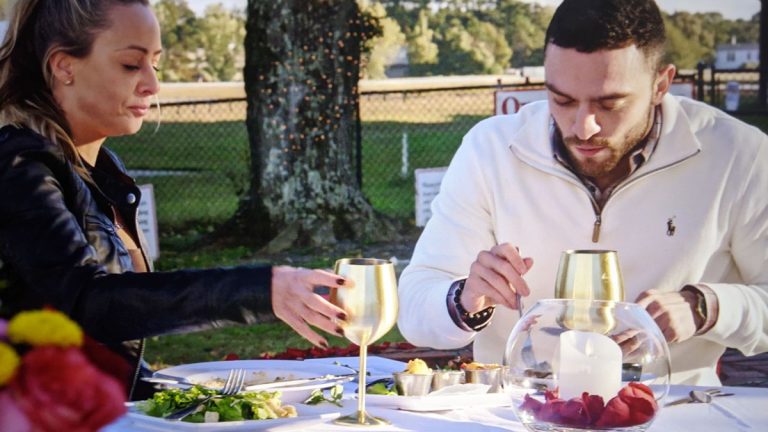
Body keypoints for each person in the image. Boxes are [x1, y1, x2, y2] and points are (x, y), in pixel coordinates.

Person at [398, 0, 768, 386]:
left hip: (673, 413)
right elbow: (415, 306)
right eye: (563, 100)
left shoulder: (737, 155)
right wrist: (463, 298)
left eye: (610, 103)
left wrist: (707, 307)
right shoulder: (489, 150)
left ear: (661, 84)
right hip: (512, 413)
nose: (584, 126)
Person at [0, 0, 350, 400]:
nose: (152, 84)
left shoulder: (102, 169)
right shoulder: (20, 167)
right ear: (65, 66)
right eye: (131, 65)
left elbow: (110, 354)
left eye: (156, 65)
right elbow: (87, 305)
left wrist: (206, 400)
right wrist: (259, 289)